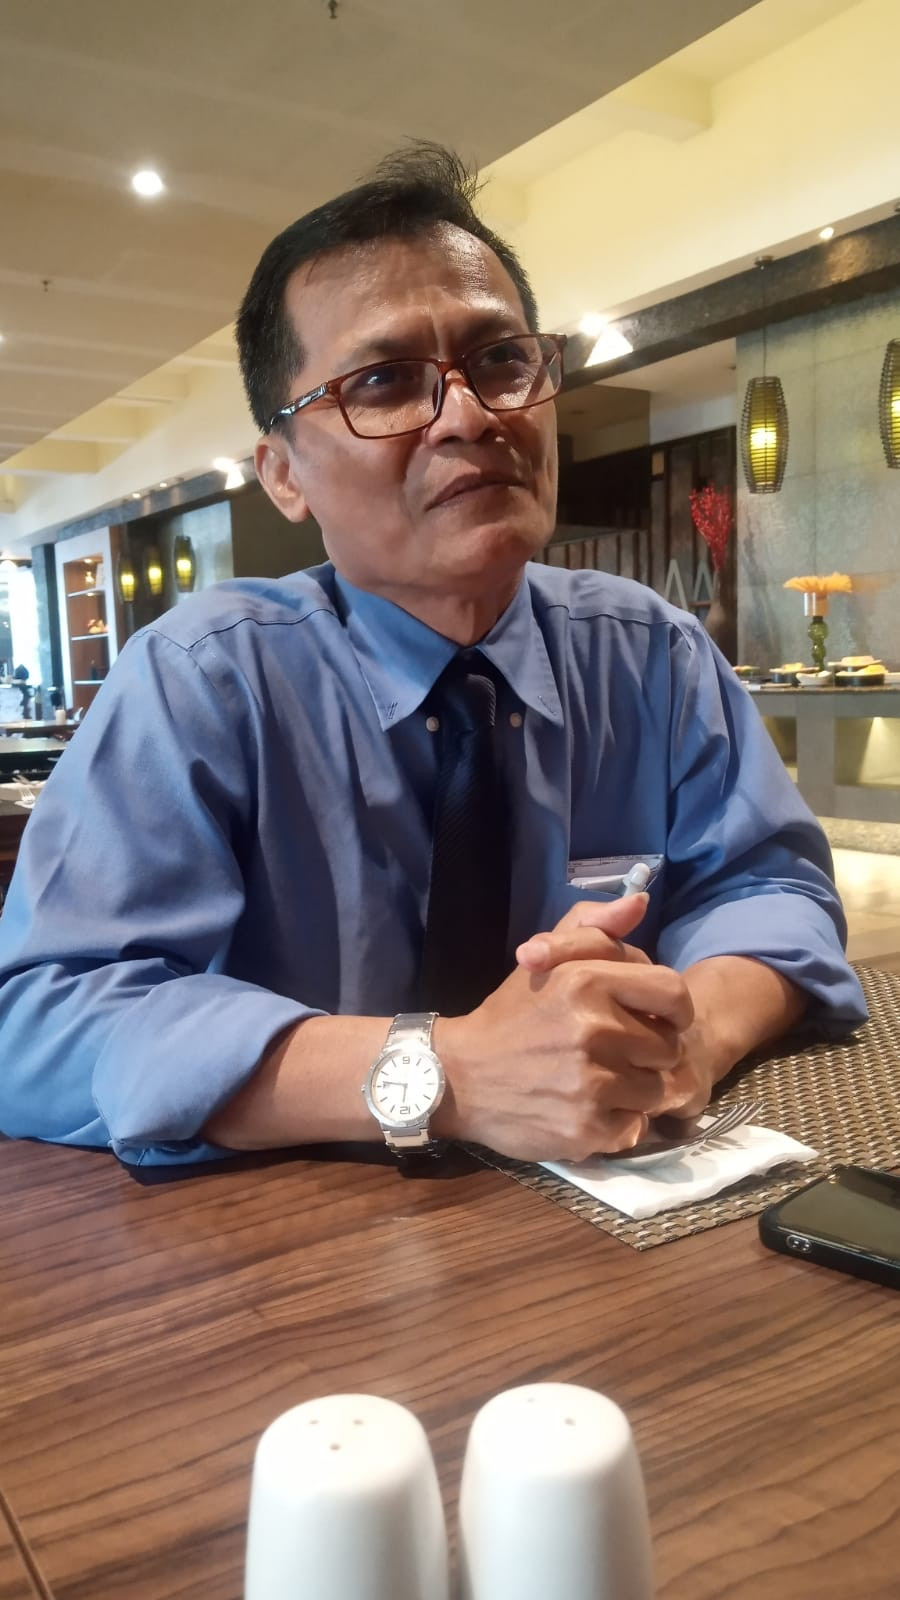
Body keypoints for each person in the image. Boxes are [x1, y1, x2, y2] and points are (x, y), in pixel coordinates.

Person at [0, 146, 866, 1168]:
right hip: (293, 1236)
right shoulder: (202, 682)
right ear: (282, 474)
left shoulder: (650, 655)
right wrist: (448, 1072)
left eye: (500, 361)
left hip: (618, 1209)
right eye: (384, 381)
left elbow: (772, 888)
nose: (470, 415)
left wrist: (687, 1035)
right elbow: (44, 1022)